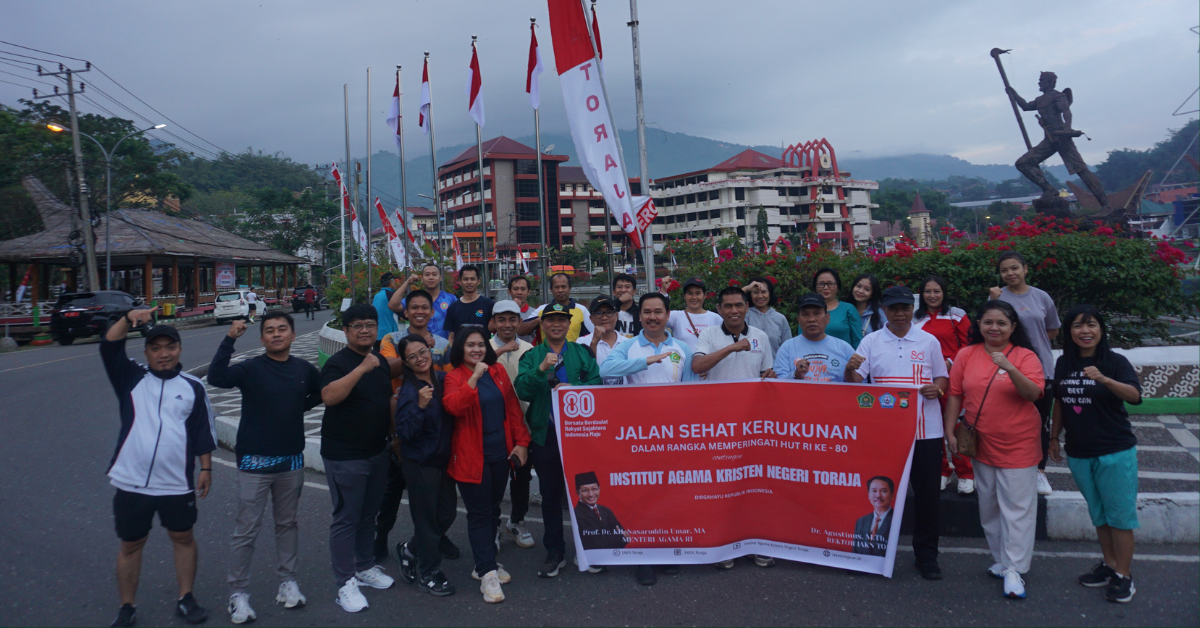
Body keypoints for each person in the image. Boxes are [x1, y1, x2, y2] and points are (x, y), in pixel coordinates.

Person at [101, 309, 215, 627]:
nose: (164, 354)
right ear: (147, 352)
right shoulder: (131, 378)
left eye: (170, 347)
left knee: (183, 537)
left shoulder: (192, 386)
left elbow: (201, 431)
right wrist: (126, 318)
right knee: (131, 543)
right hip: (131, 481)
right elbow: (109, 347)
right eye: (156, 348)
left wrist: (206, 469)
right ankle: (127, 607)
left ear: (179, 348)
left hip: (175, 483)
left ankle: (186, 598)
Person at [208, 313, 321, 623]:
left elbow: (322, 390)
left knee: (287, 525)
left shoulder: (303, 369)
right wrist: (230, 338)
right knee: (246, 530)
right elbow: (217, 377)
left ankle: (288, 582)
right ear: (261, 339)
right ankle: (238, 594)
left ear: (293, 336)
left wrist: (301, 406)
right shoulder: (251, 368)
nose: (275, 334)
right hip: (254, 463)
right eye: (269, 331)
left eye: (282, 329)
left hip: (291, 462)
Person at [943, 300, 1045, 600]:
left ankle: (1015, 568)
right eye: (988, 322)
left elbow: (1033, 393)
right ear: (979, 325)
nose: (994, 328)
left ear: (1013, 327)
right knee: (988, 505)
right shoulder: (966, 354)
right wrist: (950, 431)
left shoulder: (1025, 356)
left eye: (1001, 323)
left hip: (1019, 443)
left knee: (1017, 508)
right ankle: (1002, 559)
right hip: (980, 442)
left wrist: (1010, 368)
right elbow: (955, 395)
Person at [845, 285, 949, 580]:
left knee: (928, 496)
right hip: (885, 433)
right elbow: (855, 383)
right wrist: (851, 370)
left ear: (911, 310)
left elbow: (942, 375)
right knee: (879, 496)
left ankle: (926, 556)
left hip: (926, 432)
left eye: (905, 308)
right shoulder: (871, 340)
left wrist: (938, 388)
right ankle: (874, 552)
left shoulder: (928, 341)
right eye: (893, 308)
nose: (900, 314)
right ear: (884, 311)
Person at [1050, 305, 1142, 604]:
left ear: (1101, 329)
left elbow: (1135, 396)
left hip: (1114, 450)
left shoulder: (1115, 362)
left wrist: (1104, 379)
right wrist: (1053, 437)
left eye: (1090, 325)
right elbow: (1061, 402)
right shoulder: (1064, 362)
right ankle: (1110, 565)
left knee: (1120, 516)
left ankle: (1124, 576)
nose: (1084, 331)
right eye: (1077, 326)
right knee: (1099, 514)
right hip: (1079, 452)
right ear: (1070, 332)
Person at [600, 291, 694, 585]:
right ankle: (642, 556)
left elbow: (690, 391)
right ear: (639, 317)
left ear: (668, 316)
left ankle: (665, 551)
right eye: (647, 312)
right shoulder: (628, 347)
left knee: (668, 494)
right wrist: (648, 360)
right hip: (636, 435)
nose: (653, 317)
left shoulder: (682, 348)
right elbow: (606, 369)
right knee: (639, 496)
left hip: (671, 435)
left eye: (658, 312)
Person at [318, 304, 403, 612]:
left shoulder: (379, 360)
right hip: (345, 455)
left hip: (377, 452)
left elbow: (389, 386)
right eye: (357, 326)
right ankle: (345, 583)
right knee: (346, 518)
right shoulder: (338, 362)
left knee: (368, 515)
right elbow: (329, 396)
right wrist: (362, 369)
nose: (365, 330)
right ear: (346, 331)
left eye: (369, 325)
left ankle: (363, 565)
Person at [442, 328, 531, 603]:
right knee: (479, 514)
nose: (477, 349)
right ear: (461, 348)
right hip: (471, 457)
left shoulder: (498, 372)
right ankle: (486, 573)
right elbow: (454, 406)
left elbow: (512, 407)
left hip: (499, 455)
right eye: (470, 345)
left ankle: (486, 562)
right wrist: (475, 375)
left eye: (481, 344)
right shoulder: (453, 376)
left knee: (493, 510)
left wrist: (522, 442)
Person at [515, 303, 602, 577]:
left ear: (568, 323)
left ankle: (590, 549)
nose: (556, 324)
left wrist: (574, 390)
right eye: (550, 320)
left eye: (561, 320)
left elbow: (597, 385)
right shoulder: (532, 355)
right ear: (542, 325)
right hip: (546, 435)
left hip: (580, 436)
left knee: (587, 493)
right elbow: (522, 389)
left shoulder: (581, 353)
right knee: (551, 496)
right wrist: (541, 369)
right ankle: (555, 551)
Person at [691, 287, 775, 569]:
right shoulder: (710, 335)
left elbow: (766, 375)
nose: (734, 311)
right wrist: (730, 348)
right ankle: (724, 545)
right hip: (718, 424)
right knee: (722, 487)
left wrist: (771, 377)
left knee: (754, 486)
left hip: (752, 425)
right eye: (727, 306)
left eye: (739, 305)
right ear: (719, 309)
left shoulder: (761, 337)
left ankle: (758, 543)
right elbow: (697, 364)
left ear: (747, 306)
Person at [990, 250, 1061, 496]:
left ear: (1025, 269)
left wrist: (1032, 347)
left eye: (1014, 268)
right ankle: (1008, 468)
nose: (1010, 273)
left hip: (1041, 369)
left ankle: (1040, 472)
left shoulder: (1041, 297)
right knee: (1006, 422)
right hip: (1006, 369)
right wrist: (991, 300)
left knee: (1040, 422)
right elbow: (988, 328)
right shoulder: (998, 297)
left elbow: (1052, 329)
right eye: (1004, 270)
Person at [393, 334, 459, 597]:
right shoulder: (409, 391)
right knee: (427, 522)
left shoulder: (442, 380)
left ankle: (409, 550)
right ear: (406, 363)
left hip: (442, 460)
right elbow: (405, 432)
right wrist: (420, 407)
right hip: (420, 464)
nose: (420, 358)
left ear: (430, 350)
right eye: (412, 356)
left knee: (446, 514)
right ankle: (429, 573)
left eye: (423, 352)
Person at [913, 275, 975, 495]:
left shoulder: (956, 315)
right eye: (927, 292)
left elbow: (970, 344)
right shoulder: (914, 318)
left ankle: (966, 473)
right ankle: (943, 471)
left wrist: (949, 361)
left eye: (936, 291)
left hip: (953, 378)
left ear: (944, 293)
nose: (932, 296)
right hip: (924, 381)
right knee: (933, 427)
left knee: (956, 426)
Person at [489, 300, 536, 550]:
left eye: (512, 319)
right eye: (502, 319)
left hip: (523, 426)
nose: (507, 325)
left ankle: (516, 520)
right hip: (493, 428)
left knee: (521, 478)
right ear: (494, 322)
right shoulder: (481, 349)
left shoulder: (529, 348)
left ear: (520, 321)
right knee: (495, 481)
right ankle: (493, 524)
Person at [773, 292, 855, 382]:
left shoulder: (844, 348)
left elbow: (860, 383)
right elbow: (778, 383)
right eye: (805, 314)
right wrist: (796, 375)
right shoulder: (787, 348)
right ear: (798, 320)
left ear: (827, 318)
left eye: (817, 313)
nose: (811, 319)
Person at [382, 289, 451, 384]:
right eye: (414, 307)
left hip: (433, 397)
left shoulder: (443, 344)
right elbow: (386, 372)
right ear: (406, 312)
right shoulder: (391, 339)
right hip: (400, 398)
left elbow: (449, 379)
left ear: (432, 312)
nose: (420, 311)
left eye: (425, 307)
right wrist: (419, 348)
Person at [519, 273, 592, 342]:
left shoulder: (581, 310)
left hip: (573, 353)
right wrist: (540, 319)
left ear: (569, 288)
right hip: (547, 354)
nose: (560, 290)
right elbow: (520, 330)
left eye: (563, 287)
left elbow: (592, 335)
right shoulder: (542, 309)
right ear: (551, 289)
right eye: (556, 287)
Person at [390, 264, 457, 339]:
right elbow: (393, 305)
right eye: (427, 275)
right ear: (422, 279)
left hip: (444, 347)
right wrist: (407, 282)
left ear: (440, 278)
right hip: (418, 345)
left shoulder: (451, 299)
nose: (431, 277)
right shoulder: (415, 298)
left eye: (434, 274)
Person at [576, 295, 626, 386]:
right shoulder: (581, 342)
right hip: (595, 396)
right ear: (591, 318)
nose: (604, 317)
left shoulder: (627, 343)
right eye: (598, 313)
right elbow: (583, 373)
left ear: (617, 315)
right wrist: (594, 342)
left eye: (609, 312)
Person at [665, 277, 722, 352]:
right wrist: (663, 291)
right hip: (683, 363)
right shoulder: (675, 316)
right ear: (684, 296)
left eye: (698, 293)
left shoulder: (716, 318)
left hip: (708, 363)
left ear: (704, 295)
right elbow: (658, 317)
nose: (694, 297)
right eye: (690, 293)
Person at [573, 472, 627, 550]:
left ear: (599, 489)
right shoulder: (577, 513)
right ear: (578, 493)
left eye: (594, 489)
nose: (591, 494)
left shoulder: (605, 510)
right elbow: (595, 542)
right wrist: (619, 537)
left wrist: (618, 537)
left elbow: (622, 531)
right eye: (585, 490)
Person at [813, 267, 863, 348]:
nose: (826, 287)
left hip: (845, 359)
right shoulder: (808, 310)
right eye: (821, 284)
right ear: (815, 286)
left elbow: (858, 341)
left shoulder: (848, 309)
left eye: (830, 284)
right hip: (815, 359)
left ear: (838, 286)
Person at [445, 265, 495, 345]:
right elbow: (451, 337)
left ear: (478, 281)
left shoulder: (489, 305)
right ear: (460, 282)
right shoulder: (453, 307)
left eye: (472, 279)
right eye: (465, 279)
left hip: (483, 353)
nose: (469, 282)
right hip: (460, 354)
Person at [742, 275, 792, 354]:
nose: (760, 296)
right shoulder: (744, 315)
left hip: (775, 365)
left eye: (764, 292)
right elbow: (730, 300)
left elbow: (788, 348)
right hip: (749, 365)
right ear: (750, 294)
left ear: (770, 293)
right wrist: (747, 288)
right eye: (755, 292)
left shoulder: (780, 318)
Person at [852, 477, 895, 557]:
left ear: (892, 495)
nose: (878, 495)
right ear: (868, 495)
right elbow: (855, 552)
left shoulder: (897, 519)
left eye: (883, 491)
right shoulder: (861, 521)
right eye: (874, 491)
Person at [503, 275, 537, 343]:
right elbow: (491, 328)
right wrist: (511, 308)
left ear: (528, 292)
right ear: (509, 292)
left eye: (523, 289)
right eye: (515, 289)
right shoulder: (501, 311)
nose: (519, 292)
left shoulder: (535, 313)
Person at [611, 272, 642, 337]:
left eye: (627, 287)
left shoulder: (641, 312)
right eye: (619, 287)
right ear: (614, 292)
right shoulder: (608, 312)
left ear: (634, 291)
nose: (623, 290)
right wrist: (619, 301)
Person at [373, 273, 402, 340]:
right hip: (388, 335)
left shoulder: (376, 295)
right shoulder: (390, 295)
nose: (395, 283)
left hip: (377, 334)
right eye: (394, 281)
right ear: (391, 282)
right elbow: (400, 311)